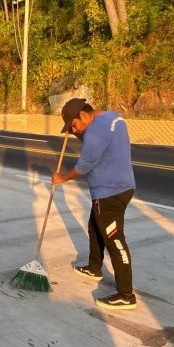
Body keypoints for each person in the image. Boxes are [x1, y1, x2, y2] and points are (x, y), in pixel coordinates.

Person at [51, 98, 137, 310]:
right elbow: (97, 142)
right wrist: (78, 133)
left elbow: (84, 165)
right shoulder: (113, 117)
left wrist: (62, 178)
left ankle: (125, 294)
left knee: (114, 240)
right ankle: (94, 267)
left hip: (109, 193)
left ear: (82, 115)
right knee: (95, 227)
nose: (73, 131)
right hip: (122, 186)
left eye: (73, 126)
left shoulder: (94, 133)